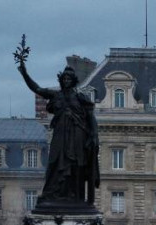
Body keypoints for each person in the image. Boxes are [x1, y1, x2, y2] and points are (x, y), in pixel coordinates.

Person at [15, 37, 100, 206]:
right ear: (61, 81)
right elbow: (37, 88)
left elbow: (92, 119)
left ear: (73, 81)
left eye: (69, 79)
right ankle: (53, 193)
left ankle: (75, 196)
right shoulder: (57, 95)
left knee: (76, 165)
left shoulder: (81, 98)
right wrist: (25, 73)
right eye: (64, 79)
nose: (66, 81)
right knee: (55, 162)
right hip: (60, 135)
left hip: (77, 136)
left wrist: (94, 136)